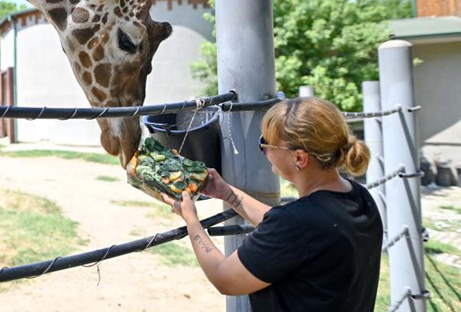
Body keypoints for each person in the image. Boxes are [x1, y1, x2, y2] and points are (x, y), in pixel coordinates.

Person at [163, 96, 383, 312]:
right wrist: (228, 194)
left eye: (266, 144)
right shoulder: (359, 198)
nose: (264, 151)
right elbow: (288, 232)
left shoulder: (297, 223)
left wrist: (190, 219)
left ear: (299, 158)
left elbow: (224, 278)